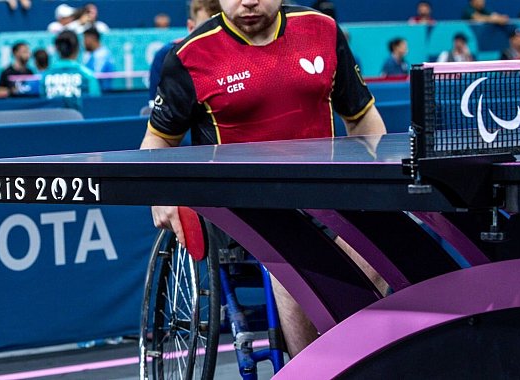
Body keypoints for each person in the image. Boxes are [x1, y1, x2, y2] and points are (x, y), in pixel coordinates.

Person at [144, 0, 387, 358]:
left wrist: (382, 183)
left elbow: (363, 120)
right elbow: (158, 139)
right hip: (243, 212)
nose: (249, 1)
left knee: (383, 246)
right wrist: (160, 194)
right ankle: (314, 366)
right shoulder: (190, 56)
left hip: (327, 197)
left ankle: (350, 355)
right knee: (294, 256)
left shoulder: (322, 31)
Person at [149, 0, 221, 103]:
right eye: (206, 29)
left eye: (220, 29)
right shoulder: (166, 56)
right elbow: (156, 110)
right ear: (191, 27)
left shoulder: (239, 55)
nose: (212, 36)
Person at [41, 31, 100, 110]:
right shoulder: (87, 76)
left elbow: (43, 104)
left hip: (52, 121)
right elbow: (95, 105)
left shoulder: (45, 76)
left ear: (57, 50)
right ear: (77, 48)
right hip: (80, 121)